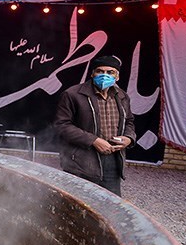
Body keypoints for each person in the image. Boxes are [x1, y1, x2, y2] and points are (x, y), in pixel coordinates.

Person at [53, 54, 137, 196]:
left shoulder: (122, 96)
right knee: (79, 206)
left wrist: (128, 138)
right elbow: (62, 125)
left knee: (110, 208)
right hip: (81, 162)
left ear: (117, 77)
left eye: (110, 72)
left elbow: (129, 121)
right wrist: (94, 141)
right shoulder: (73, 94)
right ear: (92, 73)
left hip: (113, 162)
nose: (104, 75)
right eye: (100, 71)